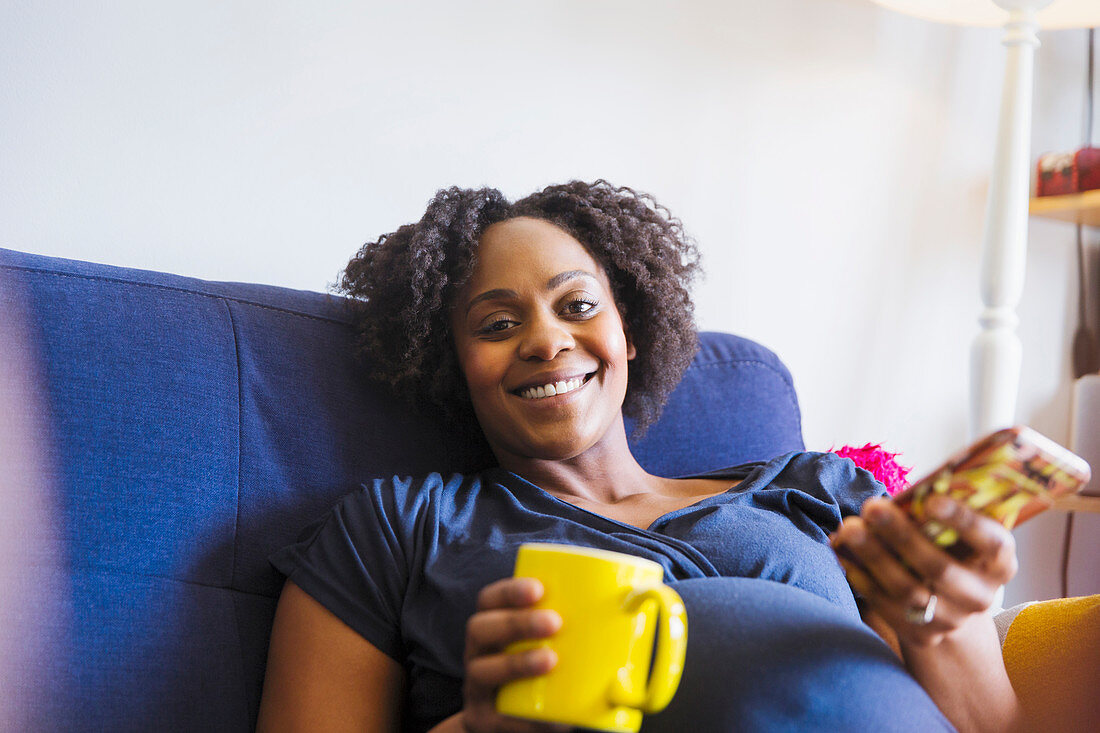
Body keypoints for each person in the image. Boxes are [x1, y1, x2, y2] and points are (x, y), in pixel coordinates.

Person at [257, 181, 1022, 732]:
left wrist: (943, 622)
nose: (547, 339)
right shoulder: (394, 527)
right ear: (449, 362)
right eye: (496, 323)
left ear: (630, 330)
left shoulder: (817, 491)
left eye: (578, 304)